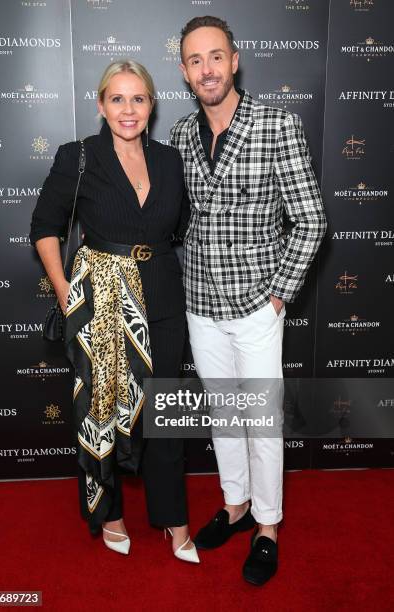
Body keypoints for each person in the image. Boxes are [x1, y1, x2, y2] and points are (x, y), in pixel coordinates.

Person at [170, 16, 327, 584]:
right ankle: (235, 504)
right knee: (224, 416)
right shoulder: (182, 135)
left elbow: (311, 220)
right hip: (199, 303)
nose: (207, 69)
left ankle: (267, 524)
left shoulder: (277, 123)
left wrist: (280, 294)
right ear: (185, 72)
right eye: (195, 60)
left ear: (234, 61)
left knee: (260, 422)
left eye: (216, 57)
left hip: (258, 305)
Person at [30, 60, 199, 563]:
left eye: (139, 99)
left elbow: (181, 225)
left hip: (164, 292)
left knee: (163, 411)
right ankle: (111, 514)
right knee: (101, 408)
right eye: (118, 99)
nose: (129, 110)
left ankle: (175, 519)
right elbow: (45, 226)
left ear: (152, 104)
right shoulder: (78, 157)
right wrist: (65, 292)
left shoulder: (170, 160)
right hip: (100, 300)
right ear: (101, 105)